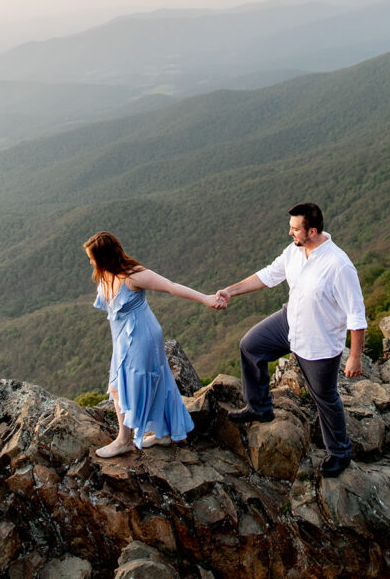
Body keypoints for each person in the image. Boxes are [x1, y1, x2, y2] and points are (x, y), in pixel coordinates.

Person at [215, 203, 367, 477]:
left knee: (325, 398)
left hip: (319, 341)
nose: (290, 233)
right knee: (250, 346)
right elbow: (268, 275)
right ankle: (259, 407)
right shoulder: (295, 253)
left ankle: (340, 452)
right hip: (290, 321)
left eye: (295, 229)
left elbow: (357, 315)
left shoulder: (339, 265)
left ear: (312, 230)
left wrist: (354, 357)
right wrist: (230, 291)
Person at [85, 230, 222, 458]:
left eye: (93, 257)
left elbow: (171, 286)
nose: (90, 262)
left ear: (105, 256)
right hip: (122, 338)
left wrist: (206, 299)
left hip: (142, 336)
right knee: (150, 383)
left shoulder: (133, 275)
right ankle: (162, 434)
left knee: (120, 387)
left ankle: (123, 440)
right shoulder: (106, 274)